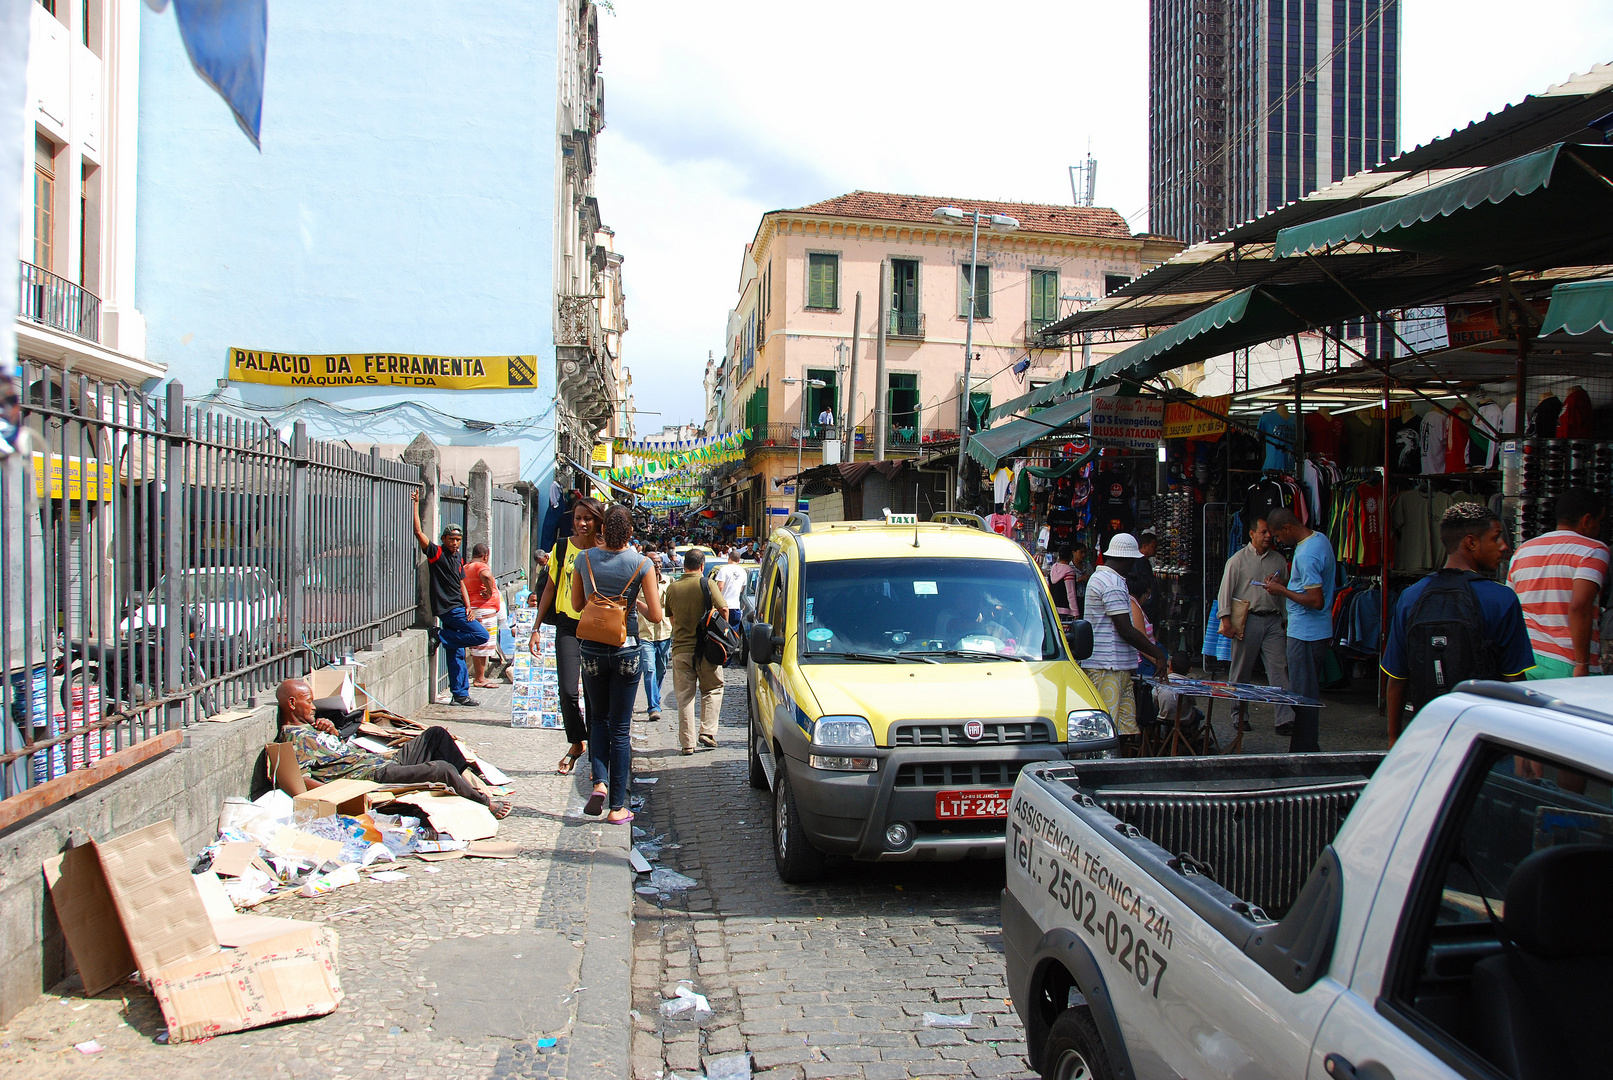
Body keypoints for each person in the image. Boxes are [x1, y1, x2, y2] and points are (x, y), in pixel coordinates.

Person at [1383, 504, 1535, 743]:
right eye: (1496, 538)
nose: (1504, 546)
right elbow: (1513, 680)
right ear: (1471, 543)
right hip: (1485, 739)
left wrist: (1394, 739)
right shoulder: (1502, 599)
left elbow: (1397, 679)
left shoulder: (1411, 596)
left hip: (1427, 733)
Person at [275, 679, 510, 818]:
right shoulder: (295, 738)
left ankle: (469, 781)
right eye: (308, 701)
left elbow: (337, 751)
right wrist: (339, 797)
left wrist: (333, 732)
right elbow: (303, 779)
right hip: (371, 775)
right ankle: (483, 802)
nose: (314, 707)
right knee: (440, 769)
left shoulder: (312, 729)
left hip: (382, 760)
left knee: (435, 734)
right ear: (292, 703)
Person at [572, 504, 660, 824]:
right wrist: (628, 599)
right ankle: (617, 806)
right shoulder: (642, 564)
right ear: (631, 532)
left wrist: (603, 598)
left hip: (592, 649)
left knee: (598, 719)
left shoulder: (583, 559)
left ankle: (598, 782)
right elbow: (657, 615)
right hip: (626, 648)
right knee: (620, 729)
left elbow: (577, 604)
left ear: (602, 528)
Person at [533, 496, 605, 776]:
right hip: (567, 625)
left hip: (596, 626)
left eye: (587, 518)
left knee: (593, 695)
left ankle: (596, 758)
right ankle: (577, 742)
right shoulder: (562, 547)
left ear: (597, 520)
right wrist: (536, 628)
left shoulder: (605, 549)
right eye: (577, 518)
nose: (582, 523)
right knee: (567, 690)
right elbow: (549, 589)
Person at [1506, 487, 1609, 680]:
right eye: (1599, 522)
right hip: (1568, 662)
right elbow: (1580, 607)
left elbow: (1510, 606)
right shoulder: (1593, 550)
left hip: (1526, 659)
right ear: (1586, 520)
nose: (1599, 529)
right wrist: (1582, 664)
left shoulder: (1523, 551)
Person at [1081, 534, 1169, 746]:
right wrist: (1158, 654)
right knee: (1107, 730)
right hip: (1107, 667)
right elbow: (1125, 629)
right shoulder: (1112, 583)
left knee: (1120, 728)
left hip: (1111, 666)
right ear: (1128, 560)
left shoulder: (1101, 577)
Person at [1261, 507, 1335, 751]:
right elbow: (1308, 586)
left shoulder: (1307, 555)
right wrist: (1285, 583)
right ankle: (1304, 745)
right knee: (1304, 692)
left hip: (1306, 633)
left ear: (1287, 528)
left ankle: (1305, 749)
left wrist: (1282, 591)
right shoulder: (1319, 540)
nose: (1278, 542)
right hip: (1314, 631)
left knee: (1303, 695)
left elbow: (1316, 600)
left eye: (1278, 537)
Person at [410, 491, 489, 708]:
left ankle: (460, 694)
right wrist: (416, 504)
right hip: (448, 609)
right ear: (444, 539)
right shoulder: (437, 553)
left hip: (459, 607)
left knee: (456, 653)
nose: (455, 543)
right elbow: (418, 532)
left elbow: (461, 583)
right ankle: (440, 634)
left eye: (458, 539)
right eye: (451, 539)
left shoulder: (458, 557)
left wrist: (469, 606)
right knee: (480, 635)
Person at [1216, 516, 1294, 735]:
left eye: (1269, 532)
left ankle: (1285, 718)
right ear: (1251, 534)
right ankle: (1239, 715)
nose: (1268, 536)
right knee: (1241, 671)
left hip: (1272, 619)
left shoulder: (1278, 561)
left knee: (1279, 669)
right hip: (1247, 621)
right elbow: (1225, 593)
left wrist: (1285, 620)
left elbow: (1284, 593)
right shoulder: (1237, 561)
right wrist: (1226, 620)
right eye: (1263, 532)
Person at [665, 548, 726, 755]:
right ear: (702, 566)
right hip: (706, 648)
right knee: (713, 689)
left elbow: (670, 617)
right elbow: (723, 608)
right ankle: (707, 731)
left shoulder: (672, 588)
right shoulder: (707, 583)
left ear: (684, 565)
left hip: (680, 649)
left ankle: (687, 744)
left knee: (684, 697)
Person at [463, 543, 501, 689]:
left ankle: (480, 677)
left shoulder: (466, 567)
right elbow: (486, 575)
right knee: (484, 645)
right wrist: (490, 592)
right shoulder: (480, 566)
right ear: (486, 555)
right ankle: (480, 678)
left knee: (478, 645)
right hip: (484, 609)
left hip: (473, 608)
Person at [640, 560, 673, 722]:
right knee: (649, 670)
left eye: (659, 562)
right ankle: (653, 706)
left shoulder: (668, 582)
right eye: (653, 562)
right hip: (644, 633)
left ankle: (655, 696)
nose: (657, 565)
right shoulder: (638, 582)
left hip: (664, 633)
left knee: (661, 669)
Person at [716, 549, 748, 663]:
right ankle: (728, 659)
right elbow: (742, 589)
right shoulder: (743, 572)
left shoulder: (724, 569)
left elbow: (720, 586)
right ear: (739, 560)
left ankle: (720, 657)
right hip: (735, 606)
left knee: (721, 632)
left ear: (729, 558)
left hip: (723, 605)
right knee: (732, 634)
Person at [1048, 545, 1078, 619]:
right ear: (1071, 556)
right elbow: (1071, 593)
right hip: (1065, 611)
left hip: (1053, 608)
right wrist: (1075, 612)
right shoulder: (1069, 571)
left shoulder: (1053, 568)